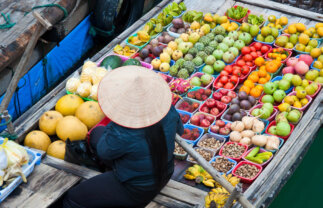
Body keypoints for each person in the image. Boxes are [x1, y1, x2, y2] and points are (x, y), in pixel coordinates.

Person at [63, 66, 184, 208]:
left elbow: (104, 152)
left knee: (72, 199)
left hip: (136, 189)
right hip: (165, 171)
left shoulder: (123, 131)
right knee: (96, 134)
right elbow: (179, 131)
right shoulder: (167, 109)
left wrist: (116, 123)